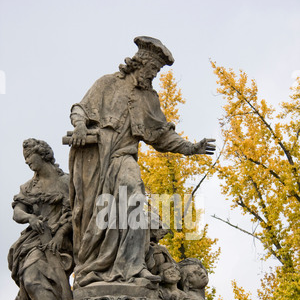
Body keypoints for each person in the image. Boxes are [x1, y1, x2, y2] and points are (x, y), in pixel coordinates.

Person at [68, 36, 215, 287]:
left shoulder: (149, 99)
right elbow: (80, 109)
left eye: (157, 71)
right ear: (140, 63)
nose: (153, 75)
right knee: (92, 215)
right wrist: (80, 127)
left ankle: (132, 267)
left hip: (122, 158)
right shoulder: (107, 83)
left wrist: (191, 148)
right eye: (152, 69)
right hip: (93, 160)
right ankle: (94, 264)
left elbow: (161, 135)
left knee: (134, 200)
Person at [8, 138, 74, 300]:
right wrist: (29, 217)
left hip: (62, 242)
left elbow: (79, 211)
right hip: (34, 241)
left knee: (54, 289)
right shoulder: (29, 187)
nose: (27, 162)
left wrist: (62, 234)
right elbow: (17, 210)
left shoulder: (67, 182)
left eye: (29, 157)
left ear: (43, 154)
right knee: (32, 280)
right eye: (25, 158)